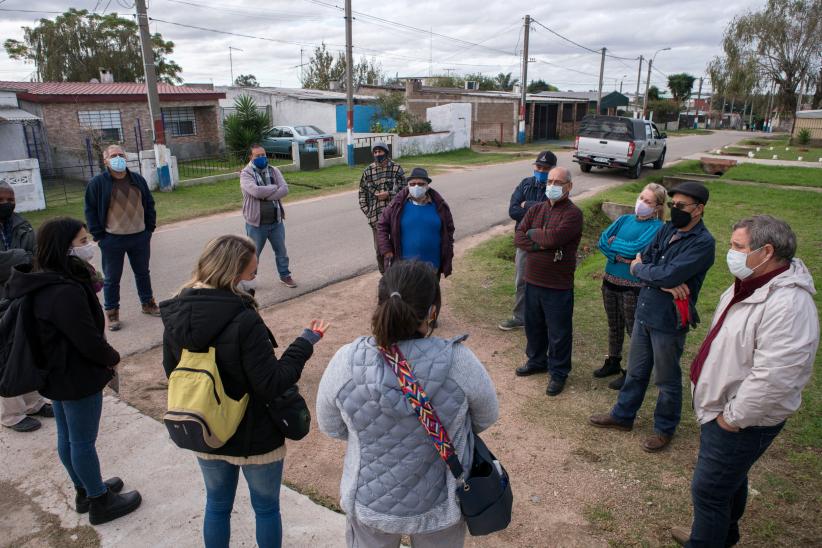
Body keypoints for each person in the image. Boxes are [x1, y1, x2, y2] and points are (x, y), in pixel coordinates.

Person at [317, 260, 499, 548]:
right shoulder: (459, 362)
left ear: (379, 306)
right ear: (433, 312)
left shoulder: (345, 361)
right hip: (440, 503)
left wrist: (374, 434)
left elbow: (331, 426)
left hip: (369, 499)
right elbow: (486, 416)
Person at [161, 234, 327, 548]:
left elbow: (173, 372)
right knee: (265, 508)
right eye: (251, 272)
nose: (254, 276)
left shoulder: (175, 314)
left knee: (217, 504)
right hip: (254, 433)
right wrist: (305, 343)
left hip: (205, 425)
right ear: (232, 273)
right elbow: (272, 383)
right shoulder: (244, 319)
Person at [670, 216, 819, 547]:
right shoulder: (750, 283)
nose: (730, 253)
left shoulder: (789, 305)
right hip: (724, 407)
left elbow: (775, 377)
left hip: (743, 420)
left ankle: (706, 538)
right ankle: (721, 536)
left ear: (766, 252)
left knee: (708, 491)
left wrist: (731, 420)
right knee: (728, 481)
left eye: (738, 247)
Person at [5, 217, 141, 525]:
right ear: (63, 248)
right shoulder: (62, 291)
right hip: (76, 376)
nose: (88, 246)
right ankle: (99, 500)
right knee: (81, 441)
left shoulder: (45, 279)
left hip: (57, 374)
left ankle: (85, 489)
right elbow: (87, 339)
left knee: (68, 437)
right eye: (82, 242)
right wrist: (111, 357)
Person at [589, 181, 716, 453]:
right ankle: (623, 416)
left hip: (668, 320)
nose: (675, 210)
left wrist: (649, 272)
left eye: (681, 206)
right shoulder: (668, 229)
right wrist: (657, 276)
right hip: (645, 310)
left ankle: (664, 428)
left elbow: (659, 270)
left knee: (666, 379)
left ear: (699, 209)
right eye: (672, 205)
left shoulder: (703, 243)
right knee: (635, 372)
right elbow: (643, 258)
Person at [513, 166, 583, 397]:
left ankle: (559, 372)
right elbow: (519, 236)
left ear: (569, 187)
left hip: (558, 284)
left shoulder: (573, 214)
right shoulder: (537, 209)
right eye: (549, 181)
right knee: (534, 326)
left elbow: (555, 238)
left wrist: (536, 235)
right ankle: (536, 361)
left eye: (558, 182)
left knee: (559, 331)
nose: (552, 186)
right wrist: (538, 241)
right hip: (532, 280)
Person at [594, 183, 667, 390]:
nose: (641, 203)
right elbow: (602, 241)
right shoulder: (624, 219)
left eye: (648, 201)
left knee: (633, 330)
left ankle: (633, 371)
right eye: (641, 198)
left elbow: (637, 248)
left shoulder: (658, 228)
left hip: (632, 287)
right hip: (609, 281)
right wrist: (621, 256)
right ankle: (613, 360)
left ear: (657, 207)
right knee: (613, 324)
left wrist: (617, 249)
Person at [84, 144, 159, 331]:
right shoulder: (98, 183)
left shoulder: (137, 180)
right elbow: (90, 210)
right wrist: (99, 236)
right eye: (113, 155)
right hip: (112, 239)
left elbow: (149, 204)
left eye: (121, 155)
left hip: (140, 237)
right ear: (106, 160)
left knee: (143, 273)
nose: (118, 158)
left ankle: (147, 303)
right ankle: (112, 313)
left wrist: (149, 228)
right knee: (112, 278)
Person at [0, 181, 53, 433]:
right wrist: (19, 257)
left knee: (27, 349)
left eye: (10, 200)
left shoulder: (21, 224)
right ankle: (11, 414)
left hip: (21, 295)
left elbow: (35, 256)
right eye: (2, 199)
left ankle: (34, 402)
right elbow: (23, 257)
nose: (7, 204)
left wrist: (20, 259)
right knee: (6, 356)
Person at [376, 167, 455, 318]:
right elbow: (382, 226)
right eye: (412, 184)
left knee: (430, 291)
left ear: (427, 186)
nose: (416, 187)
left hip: (432, 262)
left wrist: (447, 249)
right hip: (404, 262)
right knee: (408, 291)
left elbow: (449, 229)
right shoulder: (397, 204)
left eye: (420, 183)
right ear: (408, 185)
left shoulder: (439, 205)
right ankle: (409, 320)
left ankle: (429, 318)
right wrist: (387, 250)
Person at [499, 150, 557, 331]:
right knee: (521, 280)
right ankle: (519, 317)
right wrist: (538, 210)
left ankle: (541, 318)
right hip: (524, 242)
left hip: (545, 244)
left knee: (544, 282)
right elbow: (513, 211)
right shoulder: (525, 185)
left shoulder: (555, 188)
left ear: (552, 170)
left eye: (546, 168)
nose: (541, 170)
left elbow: (552, 214)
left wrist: (528, 205)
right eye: (539, 167)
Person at [240, 144, 296, 289]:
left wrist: (266, 195)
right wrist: (272, 188)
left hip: (276, 222)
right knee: (253, 255)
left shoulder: (274, 170)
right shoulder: (246, 174)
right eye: (257, 156)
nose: (261, 158)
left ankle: (285, 275)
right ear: (251, 157)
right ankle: (249, 281)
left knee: (281, 251)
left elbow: (284, 190)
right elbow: (256, 192)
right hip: (256, 224)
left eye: (263, 155)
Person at [358, 142, 406, 273]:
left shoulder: (396, 169)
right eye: (375, 152)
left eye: (380, 151)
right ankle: (385, 277)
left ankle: (398, 276)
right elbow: (362, 194)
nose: (378, 154)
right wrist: (368, 213)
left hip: (396, 217)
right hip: (377, 219)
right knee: (380, 250)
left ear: (386, 152)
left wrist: (389, 194)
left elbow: (405, 191)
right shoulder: (368, 171)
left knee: (397, 247)